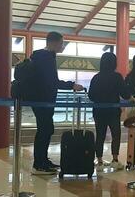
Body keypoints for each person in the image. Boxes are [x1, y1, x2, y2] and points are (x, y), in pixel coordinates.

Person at [31, 32, 84, 175]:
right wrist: (71, 85)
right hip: (43, 101)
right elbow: (52, 81)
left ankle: (43, 160)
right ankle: (39, 164)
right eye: (62, 43)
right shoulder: (46, 57)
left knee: (46, 130)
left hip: (42, 100)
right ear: (53, 43)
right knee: (44, 130)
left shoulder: (43, 56)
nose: (63, 46)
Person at [89, 52, 135, 171]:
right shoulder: (117, 77)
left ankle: (99, 162)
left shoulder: (96, 77)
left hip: (99, 111)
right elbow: (124, 93)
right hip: (113, 111)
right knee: (116, 134)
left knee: (100, 135)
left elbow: (91, 96)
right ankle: (115, 160)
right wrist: (132, 99)